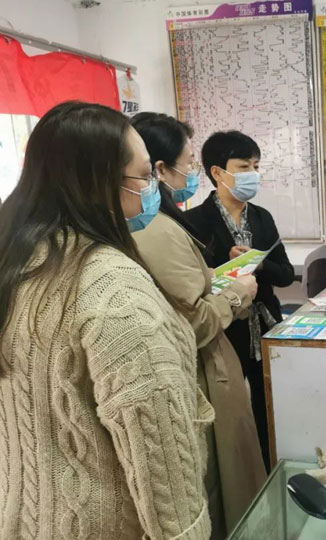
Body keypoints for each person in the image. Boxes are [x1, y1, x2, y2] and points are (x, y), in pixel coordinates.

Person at [0, 101, 211, 538]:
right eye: (144, 176)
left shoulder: (14, 263)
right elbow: (162, 463)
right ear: (97, 183)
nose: (153, 188)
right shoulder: (113, 288)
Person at [130, 112, 266, 537]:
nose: (191, 172)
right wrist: (236, 293)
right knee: (221, 486)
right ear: (157, 169)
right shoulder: (155, 227)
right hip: (202, 369)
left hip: (223, 351)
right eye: (188, 162)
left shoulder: (256, 216)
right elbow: (192, 319)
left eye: (256, 166)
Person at [185, 130, 294, 470]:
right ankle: (240, 474)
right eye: (244, 167)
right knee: (229, 408)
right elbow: (192, 282)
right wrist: (227, 267)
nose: (253, 174)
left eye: (256, 166)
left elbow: (286, 274)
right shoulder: (193, 222)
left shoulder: (262, 217)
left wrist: (258, 264)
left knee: (269, 404)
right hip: (224, 328)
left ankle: (270, 465)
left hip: (265, 326)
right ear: (218, 172)